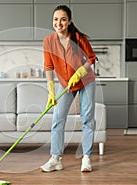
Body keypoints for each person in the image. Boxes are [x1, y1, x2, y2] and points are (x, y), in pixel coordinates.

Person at [40, 5, 96, 172]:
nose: (59, 23)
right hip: (66, 84)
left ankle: (86, 158)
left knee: (87, 119)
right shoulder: (48, 41)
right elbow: (48, 67)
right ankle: (55, 159)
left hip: (85, 81)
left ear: (69, 21)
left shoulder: (79, 38)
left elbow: (91, 58)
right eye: (56, 20)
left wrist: (80, 71)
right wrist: (51, 91)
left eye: (63, 19)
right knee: (58, 119)